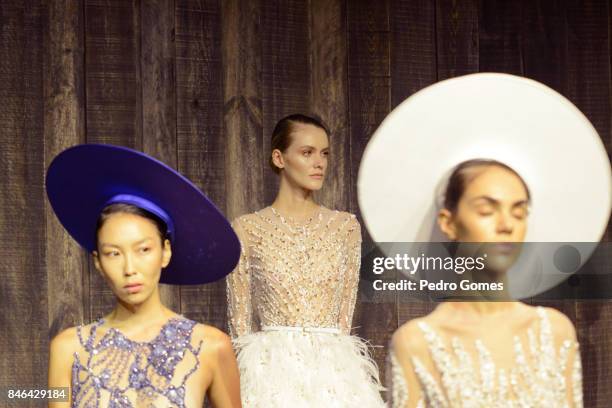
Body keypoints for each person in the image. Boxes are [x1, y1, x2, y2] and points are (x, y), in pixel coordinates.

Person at [357, 73, 612, 407]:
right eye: (486, 209)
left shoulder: (552, 332)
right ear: (448, 222)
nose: (507, 224)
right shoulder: (417, 342)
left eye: (519, 212)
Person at [46, 144, 242, 408]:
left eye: (144, 250)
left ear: (165, 252)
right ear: (98, 262)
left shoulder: (212, 346)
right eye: (114, 253)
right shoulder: (67, 348)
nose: (129, 268)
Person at [226, 114, 385, 407]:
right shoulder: (247, 229)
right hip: (269, 374)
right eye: (307, 152)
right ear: (279, 158)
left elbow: (343, 320)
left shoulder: (344, 227)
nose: (319, 162)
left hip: (334, 373)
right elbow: (240, 327)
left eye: (324, 153)